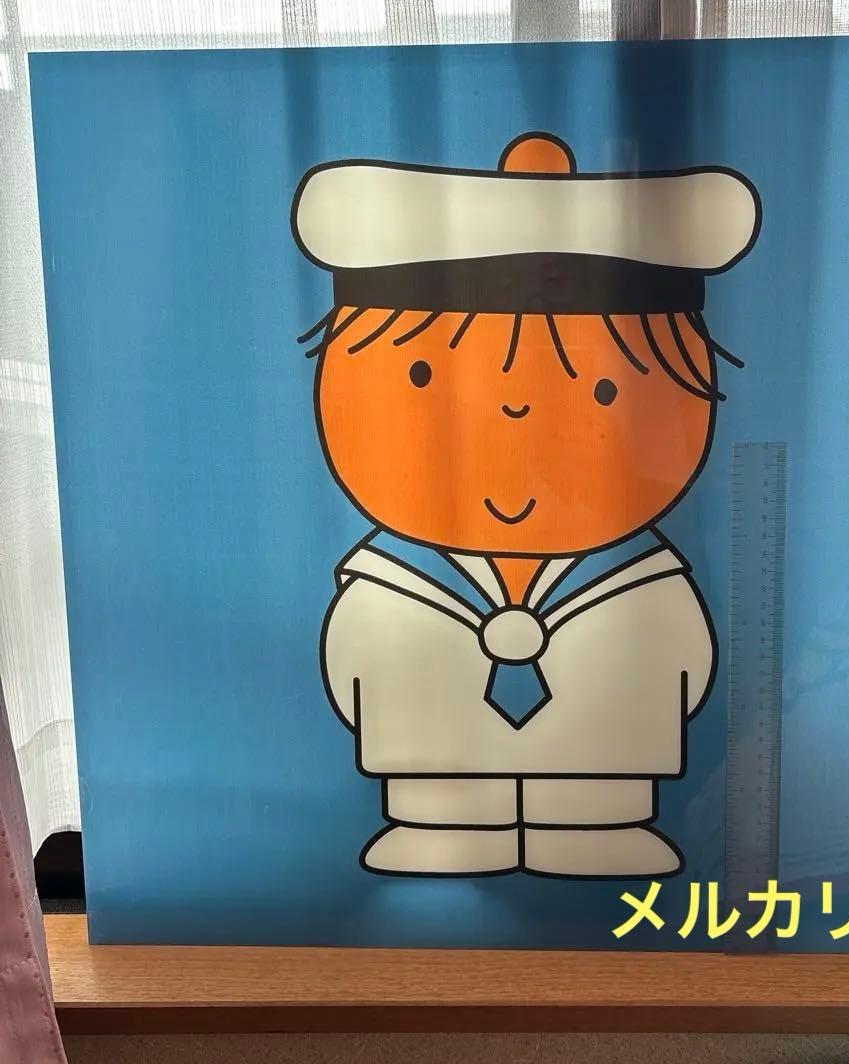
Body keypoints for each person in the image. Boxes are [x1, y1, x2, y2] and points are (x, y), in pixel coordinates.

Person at [291, 132, 760, 876]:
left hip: (609, 774)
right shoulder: (392, 579)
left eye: (601, 392)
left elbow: (684, 660)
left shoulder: (640, 581)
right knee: (436, 787)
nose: (516, 429)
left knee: (600, 790)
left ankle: (598, 821)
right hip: (427, 780)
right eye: (425, 380)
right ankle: (438, 816)